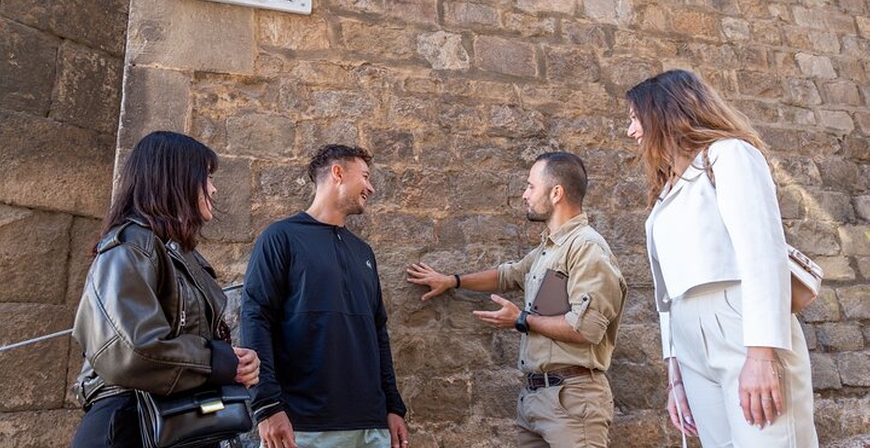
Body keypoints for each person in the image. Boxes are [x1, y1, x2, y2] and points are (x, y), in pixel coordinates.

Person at [624, 69, 818, 447]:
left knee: (771, 440)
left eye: (635, 119)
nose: (631, 131)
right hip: (688, 334)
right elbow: (667, 293)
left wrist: (762, 357)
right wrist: (675, 375)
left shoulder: (730, 155)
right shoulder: (666, 191)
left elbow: (763, 256)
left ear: (665, 114)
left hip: (740, 323)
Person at [407, 152, 626, 448]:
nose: (524, 194)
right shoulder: (549, 249)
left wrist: (521, 320)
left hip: (573, 402)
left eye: (531, 186)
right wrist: (452, 281)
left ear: (556, 193)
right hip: (534, 401)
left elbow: (586, 329)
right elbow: (507, 275)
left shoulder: (586, 248)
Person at [70, 131, 261, 448]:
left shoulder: (180, 254)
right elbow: (134, 349)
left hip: (178, 423)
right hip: (131, 425)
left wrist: (236, 362)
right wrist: (219, 361)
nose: (213, 189)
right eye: (206, 177)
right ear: (176, 179)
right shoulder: (129, 248)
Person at [241, 144, 409, 448]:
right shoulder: (280, 238)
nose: (370, 188)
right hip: (302, 427)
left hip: (371, 428)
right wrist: (266, 406)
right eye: (366, 177)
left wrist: (393, 406)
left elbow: (378, 334)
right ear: (338, 173)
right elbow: (255, 319)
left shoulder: (363, 252)